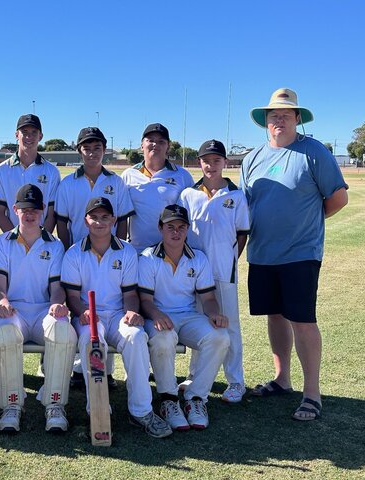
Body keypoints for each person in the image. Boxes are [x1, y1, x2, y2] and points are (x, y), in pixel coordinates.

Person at [240, 88, 348, 421]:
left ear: (297, 119)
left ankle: (312, 393)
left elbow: (338, 197)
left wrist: (306, 223)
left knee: (302, 320)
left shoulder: (314, 152)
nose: (279, 120)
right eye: (274, 115)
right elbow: (246, 206)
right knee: (274, 316)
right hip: (262, 253)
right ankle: (282, 379)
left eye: (286, 114)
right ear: (265, 121)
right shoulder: (252, 158)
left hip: (301, 253)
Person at [62, 197, 173, 439]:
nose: (99, 222)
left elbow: (130, 294)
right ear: (85, 221)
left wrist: (132, 311)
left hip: (117, 315)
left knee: (136, 337)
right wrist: (82, 312)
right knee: (91, 343)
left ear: (113, 220)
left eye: (105, 217)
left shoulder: (127, 251)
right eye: (94, 217)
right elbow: (71, 296)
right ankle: (98, 410)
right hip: (87, 317)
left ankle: (141, 411)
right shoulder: (73, 253)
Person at [0, 184, 77, 433]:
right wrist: (3, 302)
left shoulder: (55, 245)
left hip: (42, 311)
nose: (30, 214)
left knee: (63, 330)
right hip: (13, 310)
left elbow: (57, 288)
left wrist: (57, 304)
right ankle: (12, 404)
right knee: (5, 333)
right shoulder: (2, 243)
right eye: (24, 209)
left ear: (43, 211)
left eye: (35, 210)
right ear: (15, 210)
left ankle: (55, 403)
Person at [139, 204, 230, 430]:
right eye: (170, 227)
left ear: (188, 229)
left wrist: (214, 314)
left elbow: (208, 298)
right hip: (157, 315)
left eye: (181, 227)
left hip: (188, 316)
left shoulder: (198, 258)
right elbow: (145, 301)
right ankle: (168, 400)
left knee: (220, 337)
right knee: (163, 338)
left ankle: (196, 398)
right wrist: (157, 315)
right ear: (160, 228)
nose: (176, 232)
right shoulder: (148, 257)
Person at [55, 126, 134, 387]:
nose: (92, 152)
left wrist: (116, 246)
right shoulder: (68, 183)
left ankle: (105, 373)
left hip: (108, 252)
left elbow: (121, 220)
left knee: (107, 305)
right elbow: (62, 222)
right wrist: (68, 251)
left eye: (97, 147)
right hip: (79, 257)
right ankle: (81, 370)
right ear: (79, 151)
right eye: (86, 148)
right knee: (83, 310)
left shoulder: (115, 182)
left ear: (104, 150)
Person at [177, 140, 250, 403]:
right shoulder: (188, 194)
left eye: (216, 160)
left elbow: (242, 233)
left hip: (223, 271)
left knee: (229, 325)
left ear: (225, 162)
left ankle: (235, 381)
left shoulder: (236, 195)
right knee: (200, 323)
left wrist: (230, 260)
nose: (211, 165)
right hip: (195, 272)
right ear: (199, 162)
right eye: (206, 161)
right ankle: (195, 376)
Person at [122, 123, 193, 253]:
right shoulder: (128, 175)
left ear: (168, 147)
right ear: (142, 145)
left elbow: (189, 215)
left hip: (169, 252)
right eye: (150, 140)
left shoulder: (182, 175)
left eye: (161, 141)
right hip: (136, 250)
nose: (155, 144)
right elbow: (121, 215)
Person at [0, 114, 60, 234]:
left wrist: (40, 240)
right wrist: (16, 240)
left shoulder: (52, 172)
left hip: (41, 240)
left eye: (34, 132)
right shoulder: (1, 171)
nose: (29, 136)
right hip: (12, 240)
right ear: (17, 135)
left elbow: (51, 213)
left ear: (40, 136)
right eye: (24, 132)